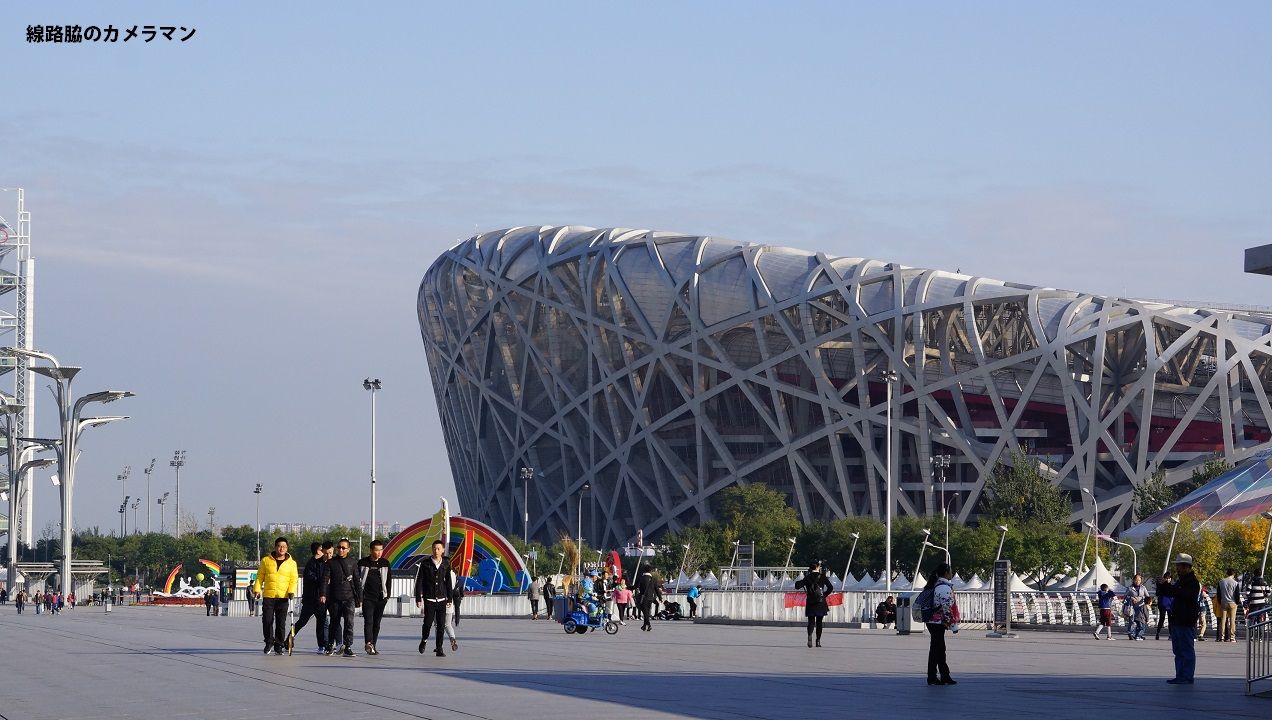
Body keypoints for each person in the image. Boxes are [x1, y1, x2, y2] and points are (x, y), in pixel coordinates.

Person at [252, 536, 299, 656]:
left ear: (287, 548)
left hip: (283, 597)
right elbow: (259, 577)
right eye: (279, 546)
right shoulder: (266, 561)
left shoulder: (291, 563)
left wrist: (291, 591)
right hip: (269, 596)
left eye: (284, 546)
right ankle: (268, 642)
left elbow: (293, 579)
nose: (281, 548)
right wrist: (257, 589)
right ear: (275, 547)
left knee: (281, 622)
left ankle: (278, 644)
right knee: (267, 620)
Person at [1161, 553, 1201, 684]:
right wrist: (1164, 585)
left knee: (1186, 649)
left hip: (1186, 619)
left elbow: (1183, 594)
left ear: (1186, 567)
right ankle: (1180, 675)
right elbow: (1171, 592)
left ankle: (1187, 676)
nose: (1177, 568)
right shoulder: (1181, 581)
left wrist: (1169, 587)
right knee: (1178, 649)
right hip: (1177, 619)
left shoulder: (1193, 582)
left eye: (1179, 566)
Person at [320, 537, 362, 657]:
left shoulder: (353, 563)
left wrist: (360, 598)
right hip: (334, 597)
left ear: (348, 549)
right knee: (334, 622)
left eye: (343, 548)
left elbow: (357, 582)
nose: (341, 550)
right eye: (339, 547)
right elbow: (324, 580)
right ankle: (330, 646)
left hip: (349, 598)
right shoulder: (331, 562)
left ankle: (348, 646)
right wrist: (323, 594)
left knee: (349, 623)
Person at [414, 539, 454, 657]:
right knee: (427, 623)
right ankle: (424, 640)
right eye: (434, 548)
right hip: (429, 598)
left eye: (438, 549)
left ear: (442, 550)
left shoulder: (446, 563)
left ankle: (439, 648)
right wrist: (418, 598)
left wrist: (450, 598)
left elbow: (448, 582)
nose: (436, 551)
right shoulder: (425, 564)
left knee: (441, 625)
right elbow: (419, 581)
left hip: (441, 599)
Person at [290, 542, 328, 654]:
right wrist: (325, 580)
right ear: (317, 551)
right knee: (302, 621)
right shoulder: (311, 564)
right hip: (310, 599)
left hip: (320, 599)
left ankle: (323, 645)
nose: (324, 552)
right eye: (322, 550)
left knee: (323, 622)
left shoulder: (323, 563)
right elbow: (314, 579)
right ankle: (288, 639)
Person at [925, 563, 959, 686]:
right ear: (946, 572)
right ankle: (934, 676)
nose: (951, 573)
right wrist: (952, 625)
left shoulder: (936, 584)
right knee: (937, 650)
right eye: (950, 571)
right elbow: (946, 607)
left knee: (938, 649)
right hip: (937, 622)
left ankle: (942, 675)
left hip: (932, 621)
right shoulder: (944, 587)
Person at [358, 539, 391, 656]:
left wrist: (387, 596)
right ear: (371, 550)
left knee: (377, 623)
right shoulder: (362, 563)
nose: (379, 553)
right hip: (367, 598)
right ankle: (368, 643)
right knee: (369, 621)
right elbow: (358, 581)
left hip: (381, 598)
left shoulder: (385, 563)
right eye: (376, 550)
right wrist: (359, 597)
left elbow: (389, 581)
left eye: (381, 550)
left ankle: (373, 645)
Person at [794, 561, 834, 648]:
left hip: (810, 602)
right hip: (820, 602)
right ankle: (818, 641)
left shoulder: (807, 577)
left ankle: (809, 636)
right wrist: (824, 595)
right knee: (819, 622)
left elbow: (797, 586)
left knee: (811, 621)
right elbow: (830, 587)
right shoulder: (823, 577)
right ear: (817, 567)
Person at [634, 566, 662, 632]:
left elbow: (636, 586)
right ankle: (644, 625)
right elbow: (657, 589)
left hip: (643, 597)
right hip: (650, 598)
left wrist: (628, 587)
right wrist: (660, 597)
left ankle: (648, 625)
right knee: (646, 611)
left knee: (645, 612)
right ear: (650, 571)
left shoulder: (641, 578)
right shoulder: (653, 579)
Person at [1124, 574, 1149, 641]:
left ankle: (1138, 634)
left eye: (1139, 580)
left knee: (1140, 621)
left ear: (1141, 581)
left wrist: (1148, 602)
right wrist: (1131, 598)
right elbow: (1125, 597)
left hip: (1141, 607)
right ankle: (1130, 633)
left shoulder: (1143, 587)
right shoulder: (1130, 588)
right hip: (1132, 607)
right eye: (1136, 580)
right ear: (1133, 580)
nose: (1137, 581)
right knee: (1132, 621)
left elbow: (1147, 596)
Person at [1154, 571, 1173, 640]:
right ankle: (1158, 632)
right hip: (1163, 603)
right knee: (1162, 618)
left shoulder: (1171, 585)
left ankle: (1171, 634)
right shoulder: (1161, 585)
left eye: (1169, 578)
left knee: (1170, 620)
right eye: (1166, 578)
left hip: (1170, 604)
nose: (1168, 579)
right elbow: (1158, 593)